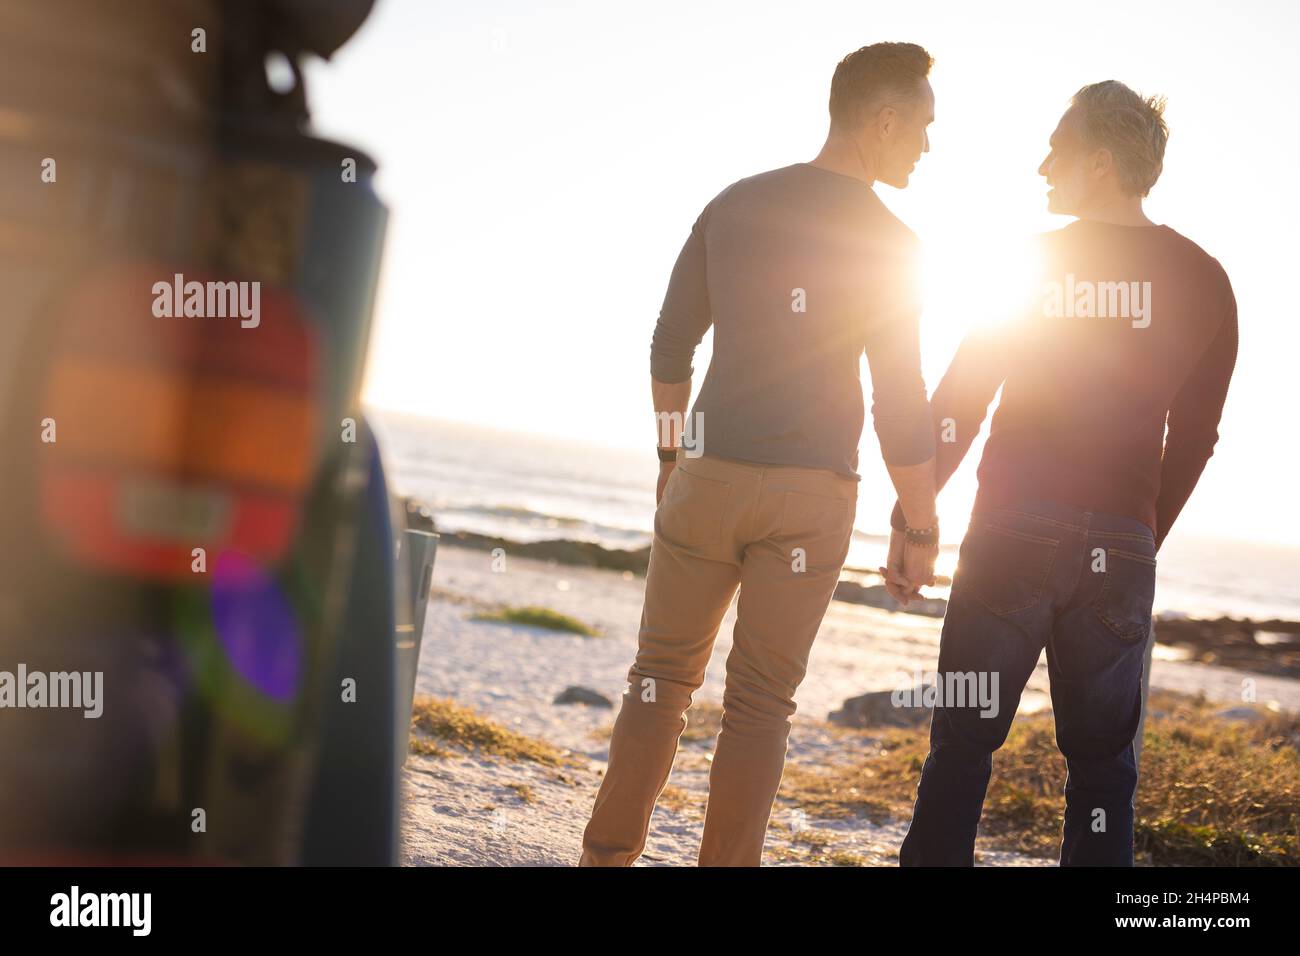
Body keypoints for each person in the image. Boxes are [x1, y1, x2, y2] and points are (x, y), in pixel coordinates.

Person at [579, 41, 942, 866]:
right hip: (814, 497)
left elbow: (671, 345)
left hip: (708, 474)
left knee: (659, 678)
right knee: (761, 706)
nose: (927, 144)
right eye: (922, 124)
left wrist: (675, 458)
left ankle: (603, 859)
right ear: (882, 119)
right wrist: (918, 526)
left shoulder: (737, 203)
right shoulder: (895, 244)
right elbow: (900, 400)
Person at [893, 81, 1238, 866]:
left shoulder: (1034, 262)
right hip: (1120, 547)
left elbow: (961, 400)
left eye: (1059, 146)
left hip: (1012, 528)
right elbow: (1197, 437)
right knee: (1104, 772)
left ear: (1103, 162)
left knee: (962, 744)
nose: (1043, 164)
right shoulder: (1206, 279)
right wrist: (1139, 534)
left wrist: (914, 516)